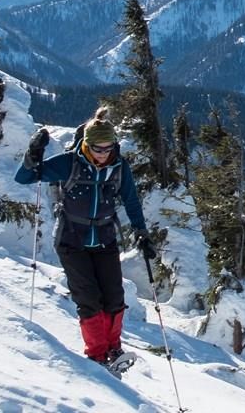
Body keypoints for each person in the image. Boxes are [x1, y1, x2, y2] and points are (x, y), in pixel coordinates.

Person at [15, 119, 159, 373]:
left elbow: (131, 201)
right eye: (98, 149)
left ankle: (113, 349)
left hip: (104, 238)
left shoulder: (119, 167)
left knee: (114, 298)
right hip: (72, 240)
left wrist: (142, 233)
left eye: (108, 148)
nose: (103, 154)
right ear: (87, 145)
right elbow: (24, 177)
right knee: (89, 299)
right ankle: (97, 355)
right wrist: (32, 154)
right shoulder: (68, 163)